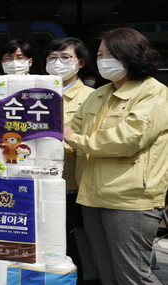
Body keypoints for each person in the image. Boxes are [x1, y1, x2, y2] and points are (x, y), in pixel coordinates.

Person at [63, 27, 168, 285]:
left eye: (109, 53)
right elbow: (70, 129)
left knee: (132, 276)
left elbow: (127, 139)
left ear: (129, 55)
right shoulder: (100, 93)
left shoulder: (152, 93)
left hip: (129, 200)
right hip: (93, 196)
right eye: (99, 54)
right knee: (106, 274)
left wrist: (73, 138)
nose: (102, 59)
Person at [45, 36, 95, 283]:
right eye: (53, 58)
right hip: (37, 180)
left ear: (80, 63)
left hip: (72, 183)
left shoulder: (92, 96)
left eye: (65, 58)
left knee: (73, 243)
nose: (58, 63)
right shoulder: (35, 90)